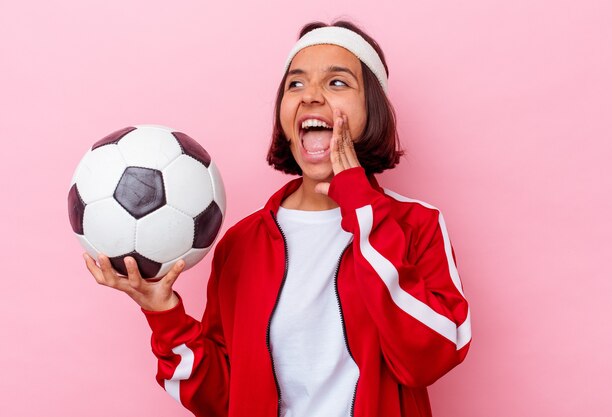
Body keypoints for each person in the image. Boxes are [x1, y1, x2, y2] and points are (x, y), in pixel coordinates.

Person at [84, 20, 471, 417]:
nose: (311, 97)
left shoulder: (416, 225)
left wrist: (361, 206)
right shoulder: (241, 243)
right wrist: (164, 315)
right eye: (295, 84)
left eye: (337, 83)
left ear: (372, 110)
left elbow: (429, 357)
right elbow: (220, 398)